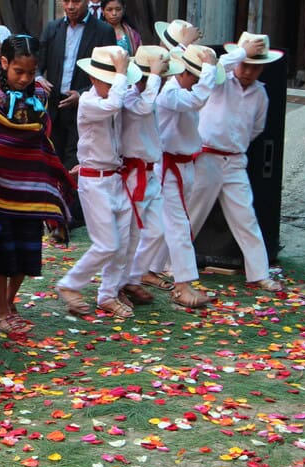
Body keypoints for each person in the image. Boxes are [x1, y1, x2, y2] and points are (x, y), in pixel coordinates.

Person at [0, 35, 74, 332]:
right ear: (4, 63)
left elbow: (40, 139)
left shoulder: (42, 98)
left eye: (31, 73)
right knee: (2, 253)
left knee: (27, 251)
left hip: (31, 187)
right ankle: (1, 309)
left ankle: (9, 302)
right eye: (19, 71)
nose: (25, 78)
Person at [188, 33, 283, 291]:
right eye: (246, 64)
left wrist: (235, 145)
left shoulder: (260, 94)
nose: (249, 71)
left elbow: (256, 129)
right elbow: (216, 68)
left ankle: (259, 273)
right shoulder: (220, 79)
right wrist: (239, 55)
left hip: (235, 160)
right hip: (206, 155)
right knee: (192, 213)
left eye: (256, 66)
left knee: (246, 217)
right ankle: (171, 265)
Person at [55, 46, 141, 318]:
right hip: (96, 182)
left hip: (116, 176)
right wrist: (120, 73)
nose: (117, 83)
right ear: (93, 79)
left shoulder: (112, 96)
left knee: (124, 241)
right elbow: (114, 102)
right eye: (110, 78)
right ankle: (70, 285)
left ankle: (108, 294)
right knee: (107, 243)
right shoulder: (92, 102)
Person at [140, 44, 224, 308]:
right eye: (196, 78)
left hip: (184, 166)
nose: (199, 84)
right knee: (178, 226)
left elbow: (198, 97)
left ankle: (138, 270)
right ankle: (182, 286)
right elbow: (197, 99)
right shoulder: (170, 93)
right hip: (168, 167)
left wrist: (212, 65)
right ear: (185, 73)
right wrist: (210, 67)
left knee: (161, 227)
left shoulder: (181, 90)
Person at [119, 45, 179, 307]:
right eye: (159, 75)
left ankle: (134, 276)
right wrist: (154, 76)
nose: (164, 78)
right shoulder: (131, 97)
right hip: (133, 174)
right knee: (128, 235)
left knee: (157, 230)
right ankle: (119, 283)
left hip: (150, 171)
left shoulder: (150, 97)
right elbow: (142, 108)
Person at [37, 0, 116, 171]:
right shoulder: (53, 28)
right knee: (53, 161)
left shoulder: (103, 31)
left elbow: (111, 74)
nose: (71, 6)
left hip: (85, 109)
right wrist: (38, 78)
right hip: (54, 108)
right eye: (66, 1)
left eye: (76, 1)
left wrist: (82, 95)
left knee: (76, 165)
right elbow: (38, 62)